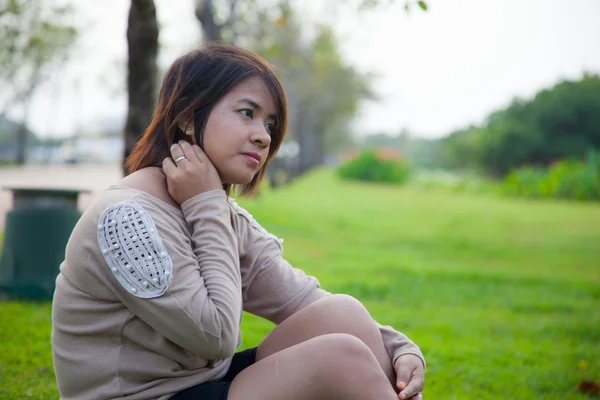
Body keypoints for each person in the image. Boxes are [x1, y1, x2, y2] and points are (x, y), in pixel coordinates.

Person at [51, 42, 425, 400]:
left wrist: (399, 350)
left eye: (270, 123)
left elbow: (302, 300)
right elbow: (213, 335)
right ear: (185, 117)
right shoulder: (127, 220)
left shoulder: (217, 212)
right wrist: (207, 205)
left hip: (201, 385)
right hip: (146, 396)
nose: (264, 137)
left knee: (342, 313)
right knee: (342, 362)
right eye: (247, 113)